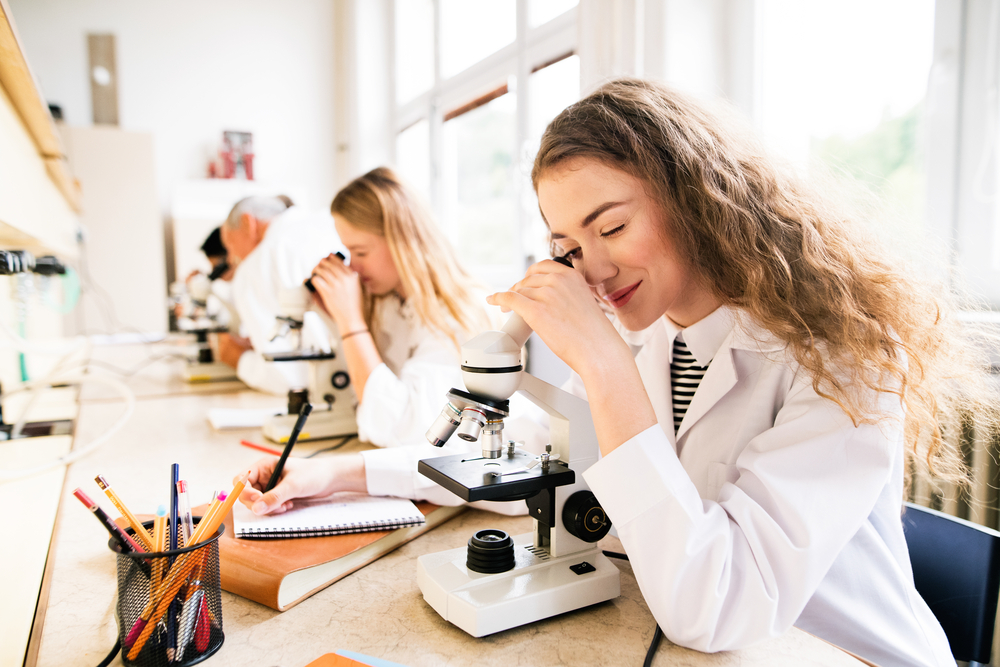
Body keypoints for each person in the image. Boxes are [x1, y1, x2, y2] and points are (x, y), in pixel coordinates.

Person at [482, 79, 995, 666]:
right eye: (569, 249)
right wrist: (361, 474)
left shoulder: (843, 356)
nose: (592, 270)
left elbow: (716, 608)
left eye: (612, 228)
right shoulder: (649, 338)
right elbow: (527, 461)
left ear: (692, 196)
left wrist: (602, 364)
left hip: (844, 655)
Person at [238, 167, 520, 513]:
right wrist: (331, 310)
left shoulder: (458, 314)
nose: (352, 266)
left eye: (361, 251)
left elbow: (404, 431)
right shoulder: (390, 301)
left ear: (403, 243)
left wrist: (350, 321)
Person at [218, 196, 344, 394]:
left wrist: (239, 359)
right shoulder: (331, 222)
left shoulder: (255, 267)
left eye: (230, 245)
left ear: (247, 222)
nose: (232, 258)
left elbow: (289, 379)